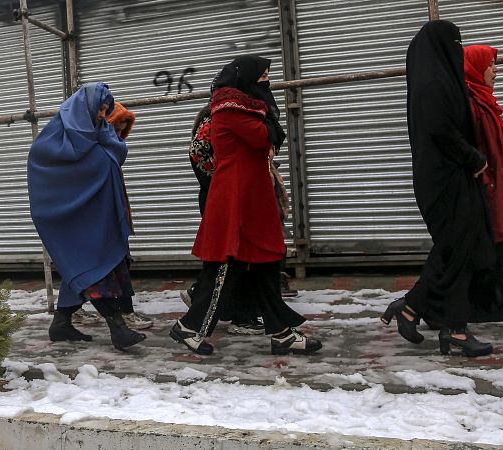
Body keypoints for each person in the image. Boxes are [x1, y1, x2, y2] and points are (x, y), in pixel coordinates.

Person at [169, 55, 321, 356]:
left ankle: (281, 333)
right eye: (262, 77)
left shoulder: (249, 108)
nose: (266, 83)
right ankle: (189, 327)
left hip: (252, 200)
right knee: (224, 268)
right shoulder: (231, 109)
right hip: (235, 201)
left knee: (264, 266)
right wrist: (266, 112)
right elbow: (263, 137)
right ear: (246, 78)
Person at [381, 21, 494, 357]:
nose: (459, 49)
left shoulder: (433, 80)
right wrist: (473, 157)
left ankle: (416, 311)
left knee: (456, 251)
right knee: (457, 251)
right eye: (455, 43)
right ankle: (451, 329)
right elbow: (443, 131)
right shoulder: (434, 85)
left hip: (448, 178)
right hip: (446, 180)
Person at [28, 82, 146, 351]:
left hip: (93, 217)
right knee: (93, 270)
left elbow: (114, 155)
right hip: (68, 218)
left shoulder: (99, 133)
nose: (103, 116)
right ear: (86, 108)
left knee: (82, 268)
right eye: (100, 110)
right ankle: (118, 329)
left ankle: (61, 323)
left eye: (106, 110)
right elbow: (46, 170)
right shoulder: (56, 137)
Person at [463, 44, 503, 333]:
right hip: (484, 194)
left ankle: (422, 306)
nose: (495, 69)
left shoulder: (484, 100)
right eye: (490, 64)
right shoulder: (470, 102)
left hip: (495, 190)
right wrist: (487, 183)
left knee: (470, 259)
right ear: (475, 67)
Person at [105, 101, 154, 330]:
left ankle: (66, 314)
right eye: (115, 128)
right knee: (116, 264)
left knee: (119, 262)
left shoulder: (112, 150)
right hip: (105, 218)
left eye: (122, 129)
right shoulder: (102, 150)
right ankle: (124, 313)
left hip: (114, 216)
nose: (119, 135)